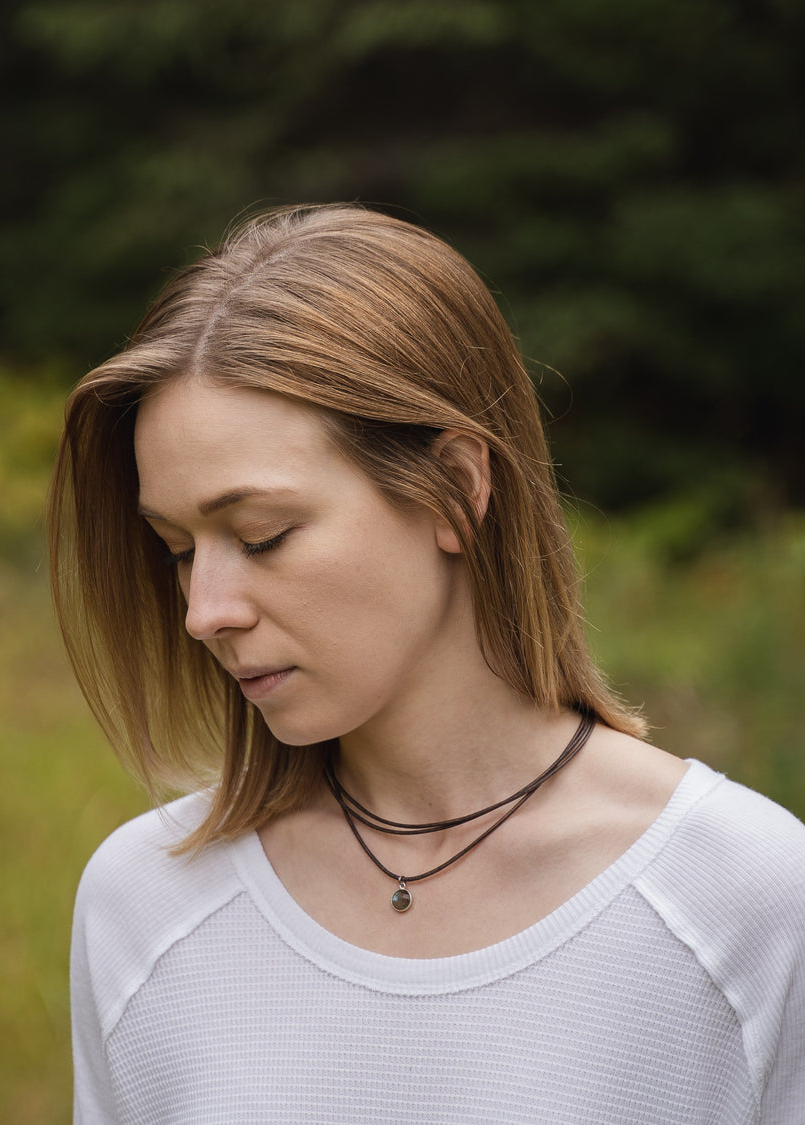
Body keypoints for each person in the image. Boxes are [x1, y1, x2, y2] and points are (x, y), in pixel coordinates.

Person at [49, 203, 805, 1124]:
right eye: (177, 548)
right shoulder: (142, 904)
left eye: (263, 535)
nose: (204, 611)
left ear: (455, 487)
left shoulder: (747, 899)